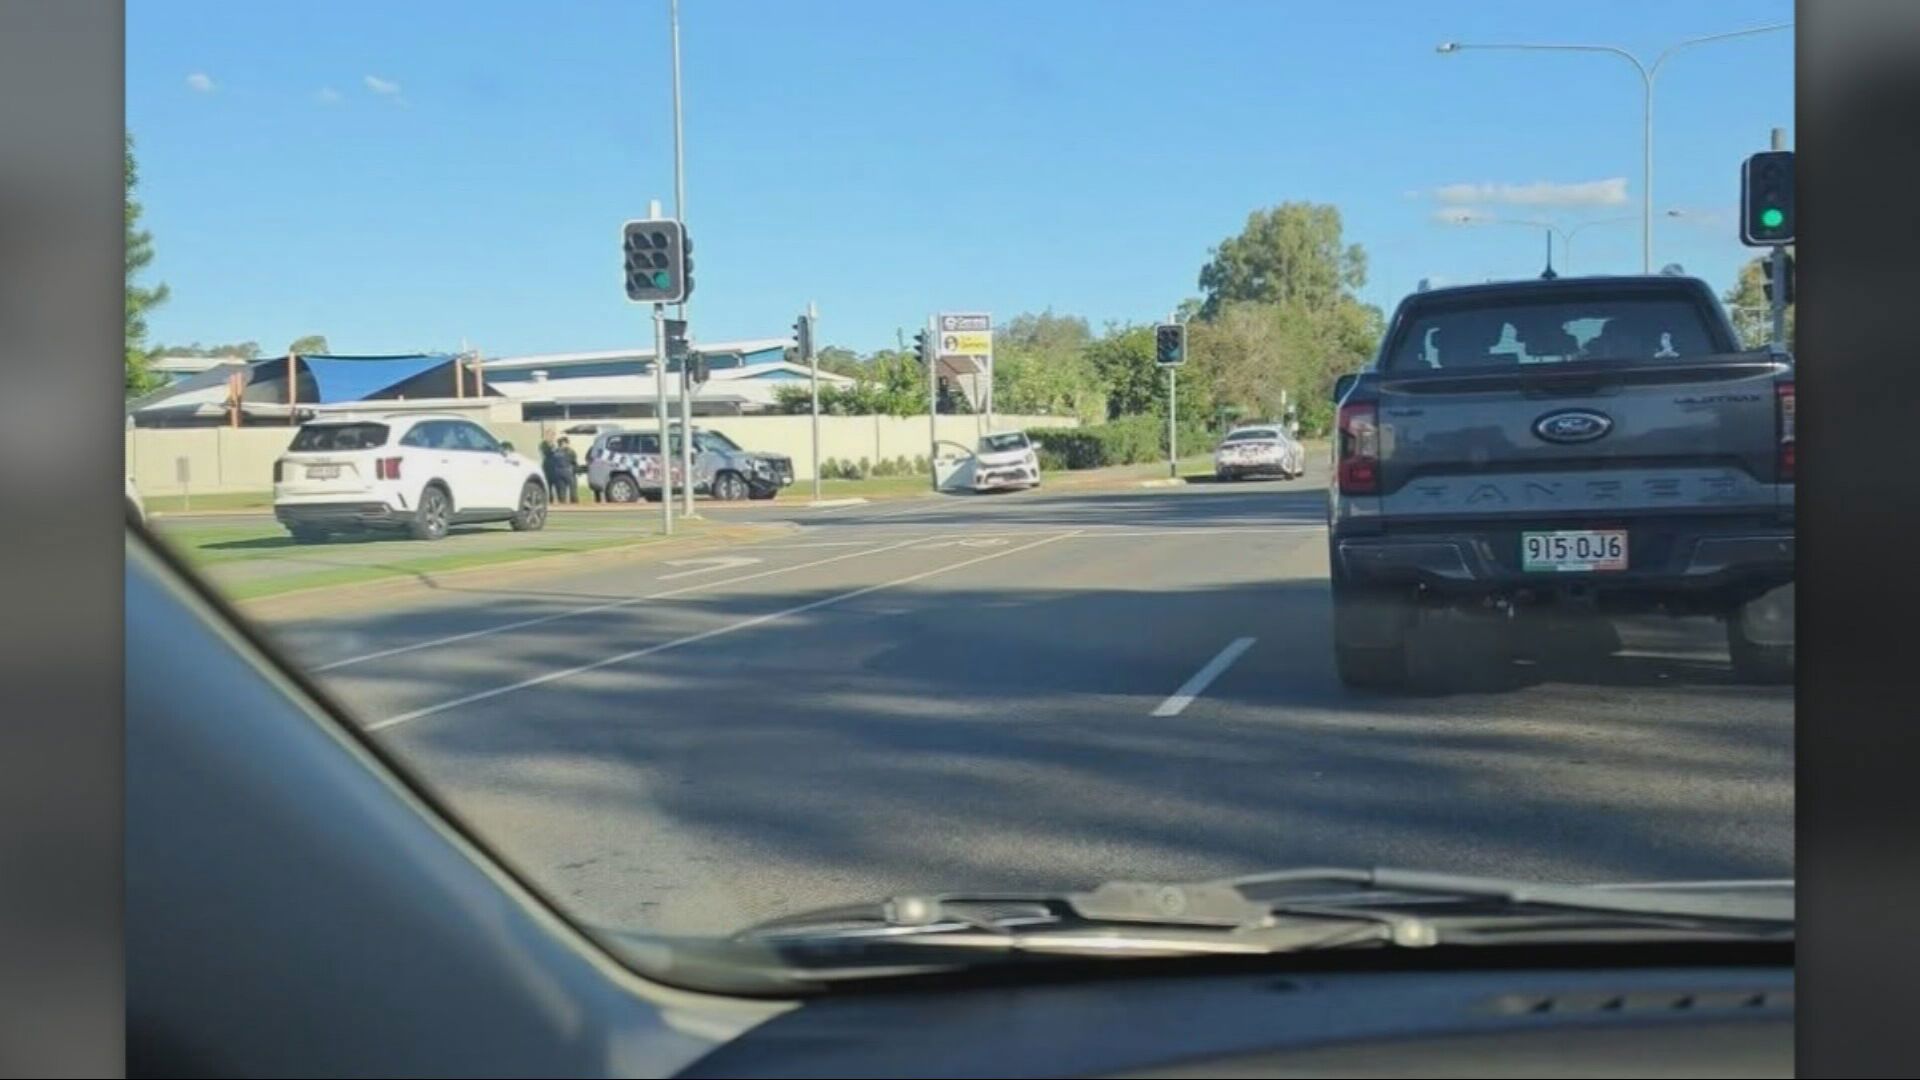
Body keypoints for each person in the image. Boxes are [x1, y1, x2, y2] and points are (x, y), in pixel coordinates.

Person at [552, 436, 580, 504]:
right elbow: (574, 461)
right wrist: (577, 469)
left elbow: (553, 461)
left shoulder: (555, 451)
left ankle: (562, 501)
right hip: (567, 471)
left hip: (557, 472)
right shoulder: (570, 451)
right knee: (573, 486)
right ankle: (574, 501)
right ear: (564, 443)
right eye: (567, 443)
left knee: (561, 488)